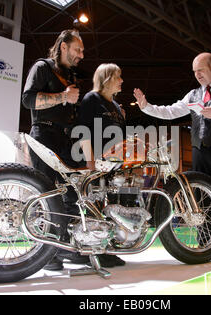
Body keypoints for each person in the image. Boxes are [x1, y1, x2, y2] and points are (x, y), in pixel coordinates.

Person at [133, 52, 211, 260]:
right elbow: (172, 111)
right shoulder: (193, 94)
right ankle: (205, 244)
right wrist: (147, 107)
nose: (197, 75)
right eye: (194, 72)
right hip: (200, 152)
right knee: (200, 197)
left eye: (200, 70)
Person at [22, 29, 89, 270]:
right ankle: (49, 254)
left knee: (72, 195)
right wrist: (62, 97)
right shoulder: (42, 67)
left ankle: (68, 248)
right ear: (64, 46)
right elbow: (28, 100)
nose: (81, 54)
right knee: (49, 195)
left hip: (66, 140)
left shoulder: (71, 76)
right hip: (44, 136)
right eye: (77, 49)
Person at [77, 63, 126, 267]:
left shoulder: (115, 106)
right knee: (94, 206)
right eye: (118, 77)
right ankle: (92, 251)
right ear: (106, 79)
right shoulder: (92, 99)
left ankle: (108, 248)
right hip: (96, 164)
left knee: (111, 207)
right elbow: (83, 130)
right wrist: (90, 162)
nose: (121, 81)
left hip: (114, 167)